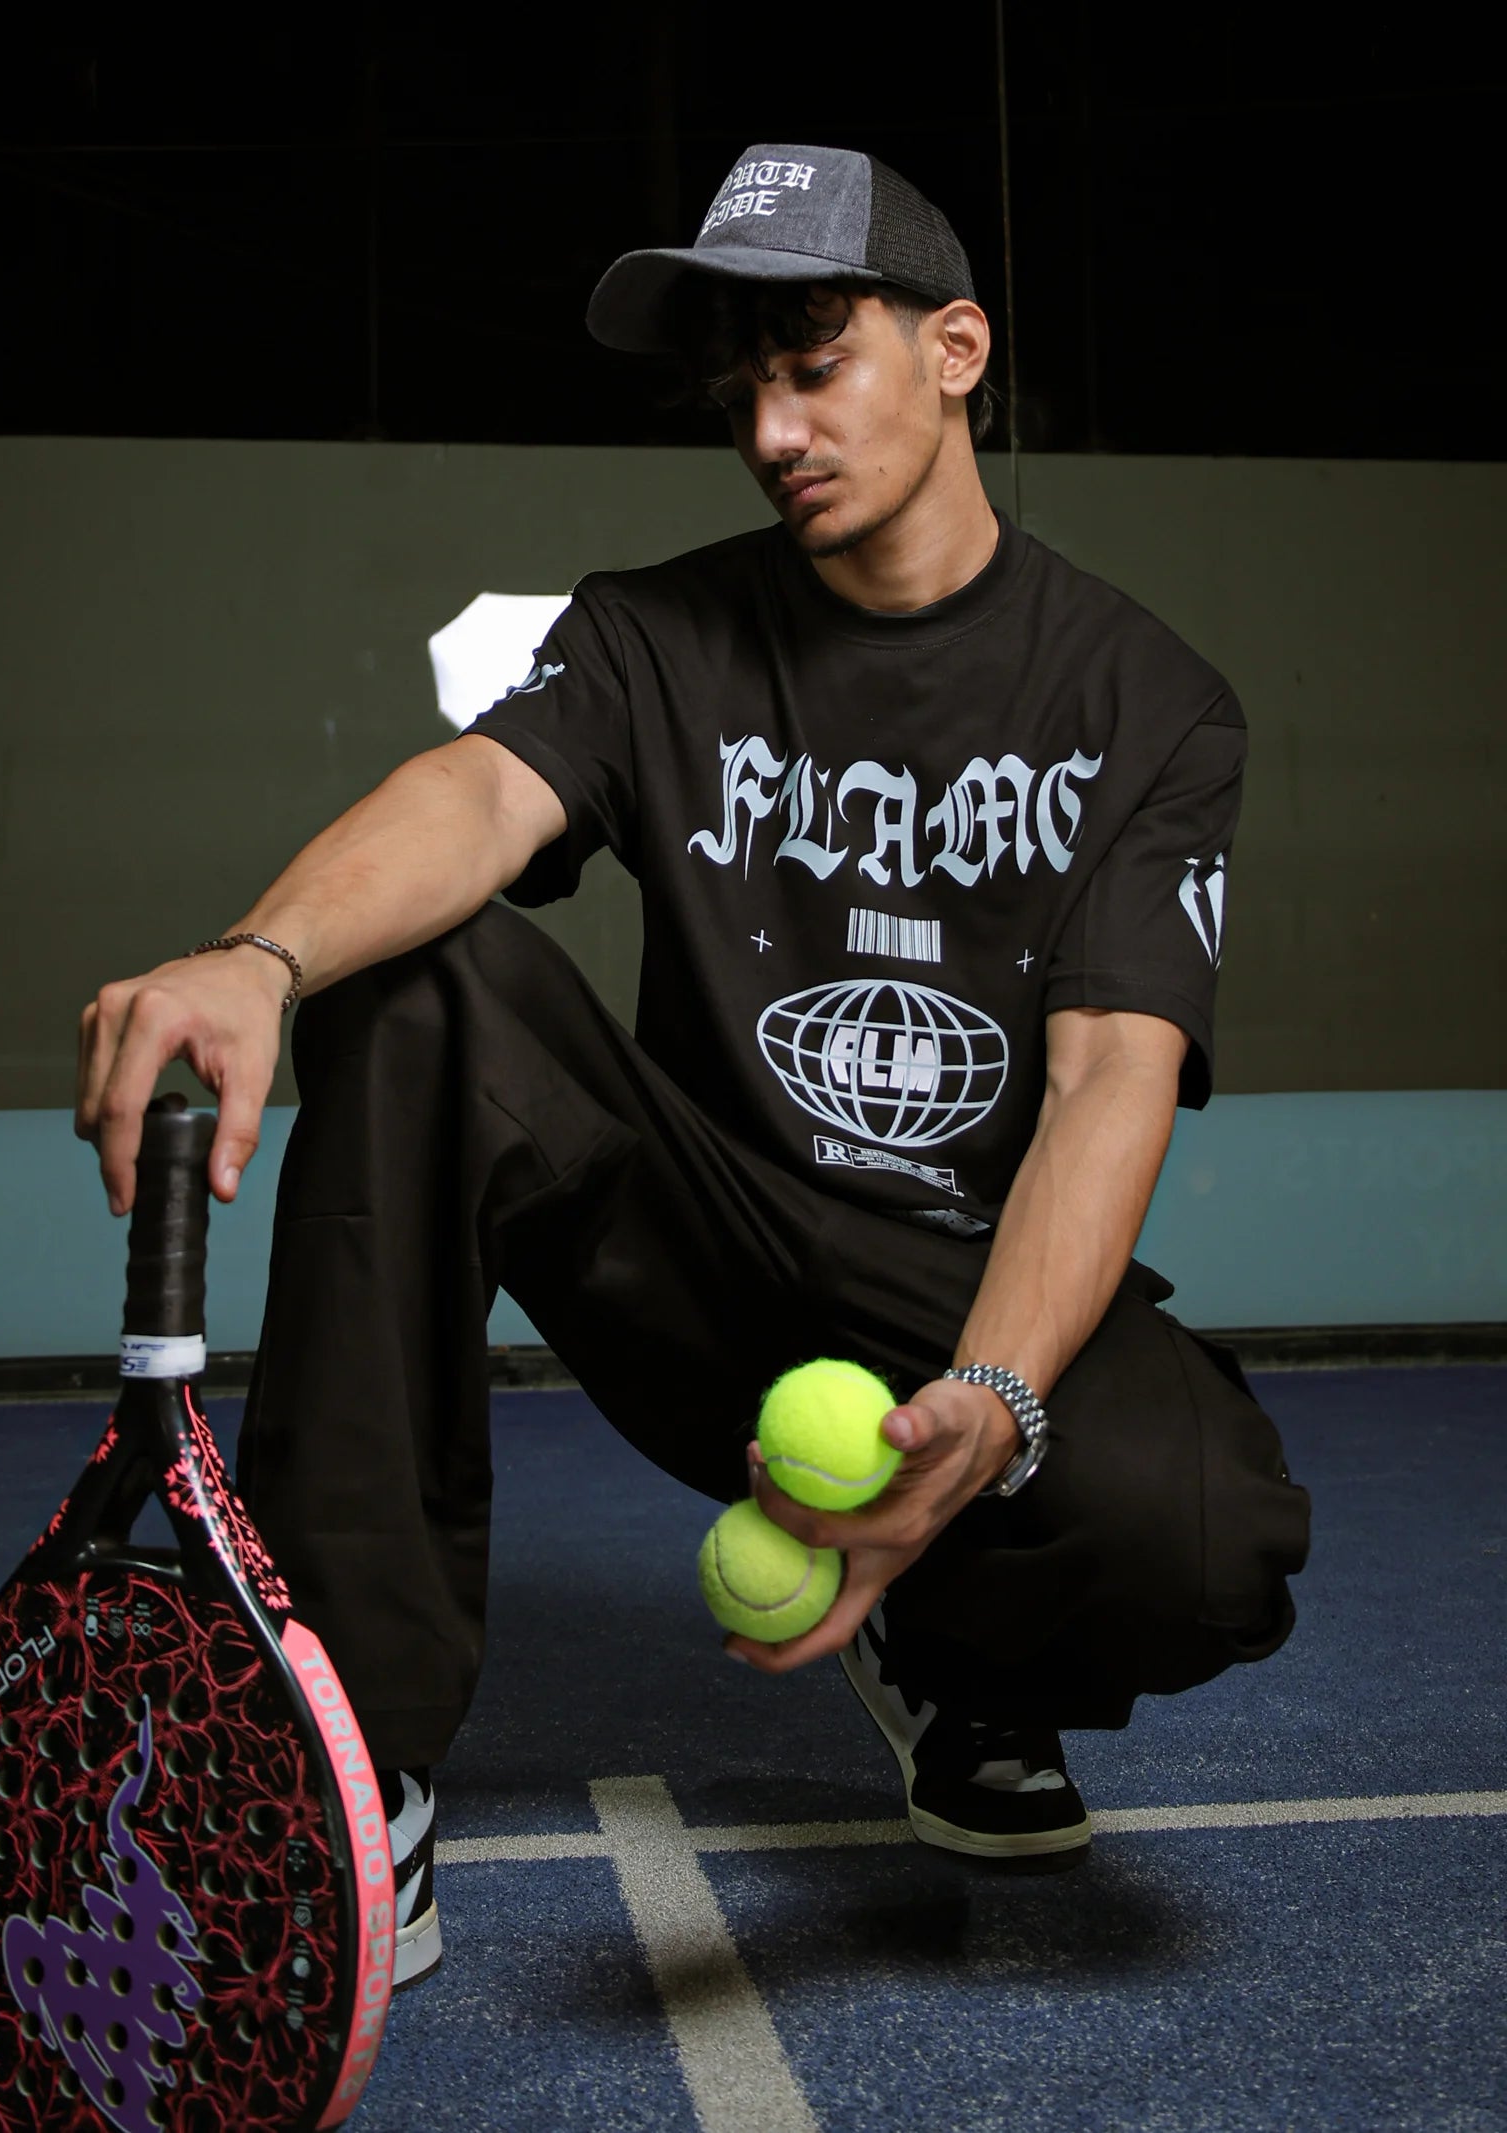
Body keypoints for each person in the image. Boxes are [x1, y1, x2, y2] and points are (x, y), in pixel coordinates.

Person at [75, 143, 1312, 1990]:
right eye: (742, 387)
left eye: (815, 362)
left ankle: (966, 1659)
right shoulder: (659, 633)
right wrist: (260, 952)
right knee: (420, 984)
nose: (771, 426)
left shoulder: (1148, 699)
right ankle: (349, 1746)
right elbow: (477, 798)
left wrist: (989, 1400)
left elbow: (1107, 1080)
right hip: (706, 1247)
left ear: (956, 346)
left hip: (955, 1289)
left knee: (1205, 1528)